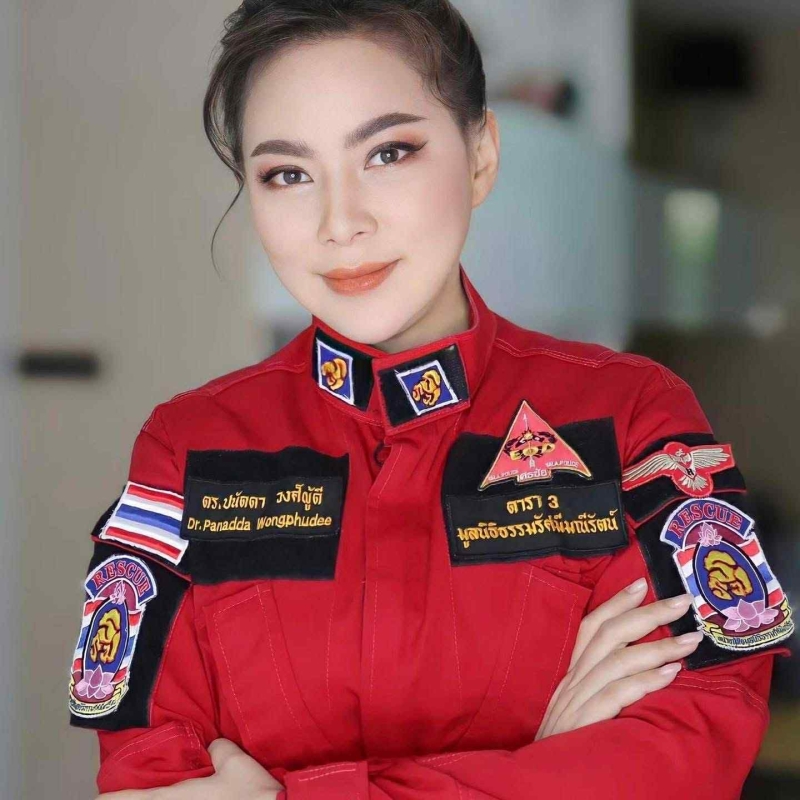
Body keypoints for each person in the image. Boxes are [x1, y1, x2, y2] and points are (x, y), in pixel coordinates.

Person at [67, 2, 795, 798]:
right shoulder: (187, 451)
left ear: (480, 155)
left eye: (388, 153)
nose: (341, 222)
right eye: (288, 173)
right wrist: (542, 763)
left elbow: (689, 747)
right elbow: (149, 777)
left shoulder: (631, 416)